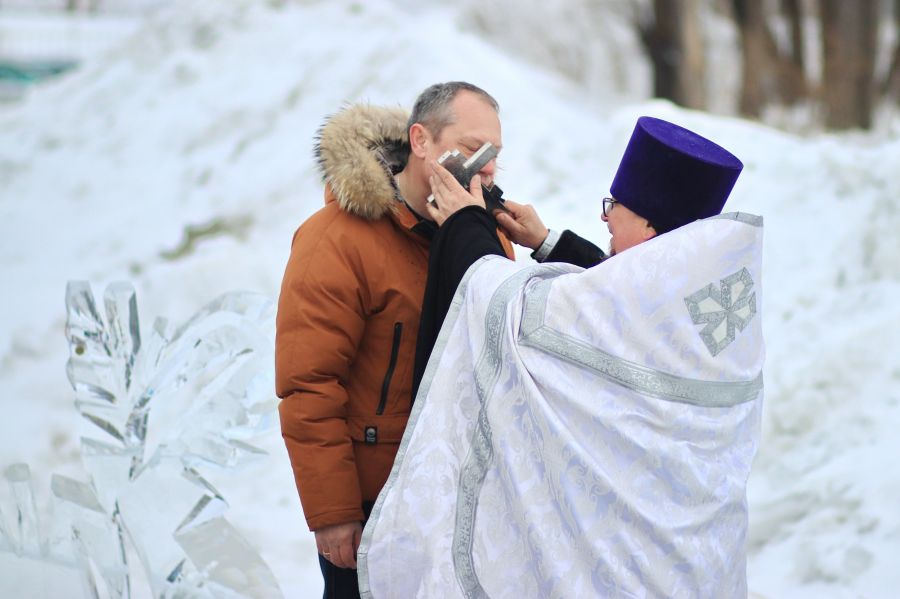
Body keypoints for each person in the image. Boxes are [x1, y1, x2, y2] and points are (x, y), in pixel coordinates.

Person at [361, 117, 765, 598]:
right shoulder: (704, 302)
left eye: (615, 206)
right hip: (696, 565)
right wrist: (547, 242)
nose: (605, 218)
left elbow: (512, 312)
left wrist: (467, 221)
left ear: (649, 229)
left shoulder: (619, 311)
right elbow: (612, 298)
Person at [275, 82, 514, 599]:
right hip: (374, 507)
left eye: (495, 154)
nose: (489, 169)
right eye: (474, 149)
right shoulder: (335, 239)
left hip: (461, 503)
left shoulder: (488, 237)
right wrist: (334, 512)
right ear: (421, 140)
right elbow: (310, 384)